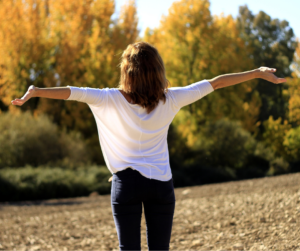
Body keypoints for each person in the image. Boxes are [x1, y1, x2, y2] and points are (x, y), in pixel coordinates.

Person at [11, 42, 286, 250]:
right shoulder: (173, 99)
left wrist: (36, 92)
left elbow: (72, 92)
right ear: (158, 71)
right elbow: (216, 83)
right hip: (161, 186)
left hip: (126, 185)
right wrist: (257, 73)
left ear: (126, 72)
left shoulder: (108, 99)